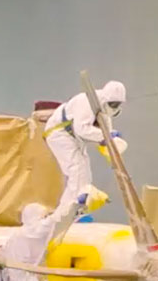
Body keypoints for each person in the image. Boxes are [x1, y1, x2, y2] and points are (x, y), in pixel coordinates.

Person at [41, 80, 127, 216]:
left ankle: (78, 208)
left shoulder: (104, 109)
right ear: (107, 99)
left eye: (118, 104)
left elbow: (105, 138)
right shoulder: (87, 101)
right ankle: (67, 211)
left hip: (72, 137)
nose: (115, 107)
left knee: (85, 171)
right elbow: (82, 129)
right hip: (59, 133)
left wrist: (112, 156)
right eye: (113, 104)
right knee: (76, 168)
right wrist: (106, 135)